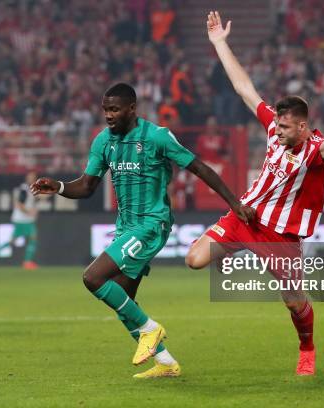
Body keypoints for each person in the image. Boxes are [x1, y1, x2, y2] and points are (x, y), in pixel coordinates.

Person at [30, 82, 254, 379]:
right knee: (123, 300)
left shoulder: (156, 137)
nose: (109, 115)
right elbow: (86, 186)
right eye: (105, 109)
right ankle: (165, 362)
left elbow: (199, 168)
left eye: (115, 109)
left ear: (132, 109)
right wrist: (57, 186)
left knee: (92, 277)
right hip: (126, 228)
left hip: (152, 223)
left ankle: (151, 328)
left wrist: (234, 203)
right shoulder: (103, 142)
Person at [184, 11, 324, 376]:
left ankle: (307, 347)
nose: (277, 130)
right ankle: (232, 249)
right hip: (246, 216)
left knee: (293, 301)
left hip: (282, 234)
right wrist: (219, 44)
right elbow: (245, 89)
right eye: (276, 122)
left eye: (286, 126)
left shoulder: (314, 147)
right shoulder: (276, 128)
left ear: (304, 126)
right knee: (194, 259)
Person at [0, 171, 40, 270]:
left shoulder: (30, 189)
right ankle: (27, 262)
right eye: (30, 177)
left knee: (13, 241)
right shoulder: (24, 190)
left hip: (23, 219)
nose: (31, 179)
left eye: (33, 178)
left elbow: (33, 201)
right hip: (23, 219)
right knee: (32, 238)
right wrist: (29, 212)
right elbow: (19, 204)